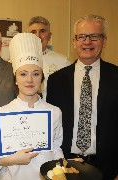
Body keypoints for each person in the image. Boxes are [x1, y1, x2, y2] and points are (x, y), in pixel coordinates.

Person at [0, 33, 63, 180]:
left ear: (41, 79)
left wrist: (63, 165)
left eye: (35, 74)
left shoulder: (54, 112)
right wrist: (10, 160)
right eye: (23, 74)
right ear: (16, 79)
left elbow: (55, 148)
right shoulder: (2, 114)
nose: (29, 80)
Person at [47, 14, 118, 180]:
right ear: (74, 42)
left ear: (104, 41)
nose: (87, 42)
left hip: (108, 168)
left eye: (94, 36)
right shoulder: (56, 80)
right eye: (82, 37)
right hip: (65, 166)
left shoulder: (116, 77)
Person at [27, 16, 71, 99]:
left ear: (49, 36)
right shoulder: (15, 61)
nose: (38, 36)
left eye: (42, 31)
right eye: (33, 32)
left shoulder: (63, 62)